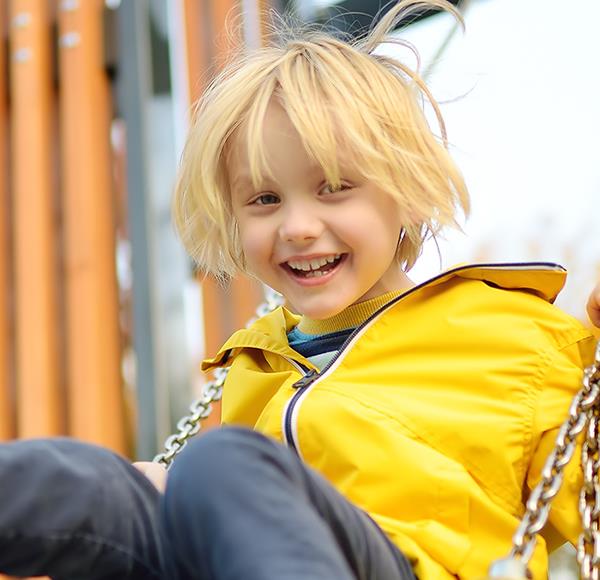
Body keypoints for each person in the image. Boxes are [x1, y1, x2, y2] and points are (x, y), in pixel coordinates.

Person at [0, 1, 598, 579]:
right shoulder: (256, 361)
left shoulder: (516, 340)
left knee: (223, 464)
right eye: (265, 199)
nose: (298, 226)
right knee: (85, 483)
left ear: (407, 191)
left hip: (405, 564)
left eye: (334, 186)